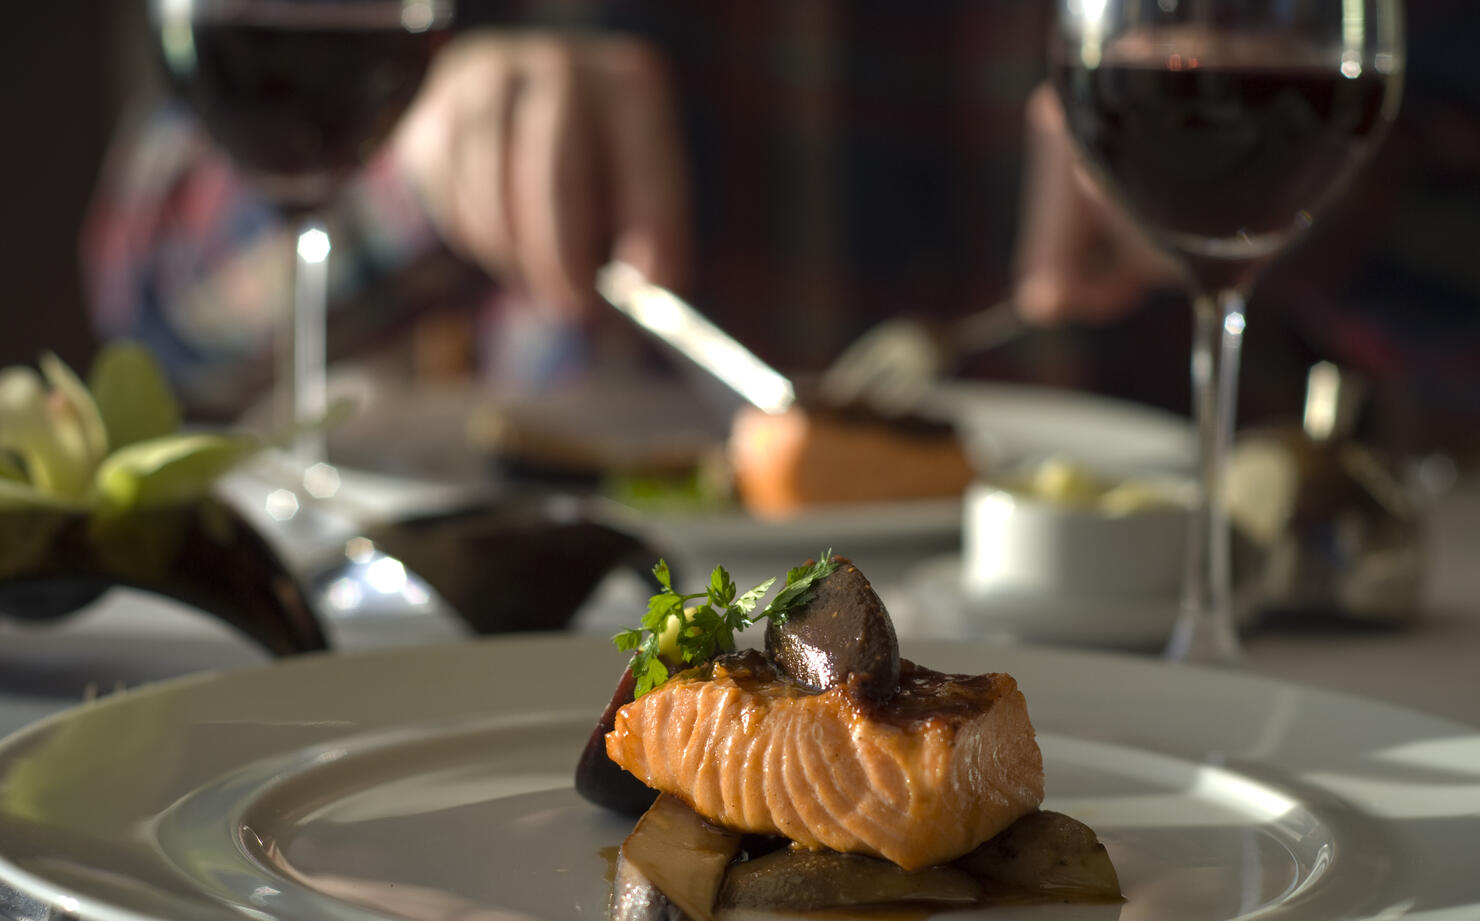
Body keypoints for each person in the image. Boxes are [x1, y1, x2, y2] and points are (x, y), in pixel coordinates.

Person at [84, 1, 1479, 452]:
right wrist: (412, 162)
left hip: (1163, 674)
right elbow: (156, 311)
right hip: (544, 674)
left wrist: (1296, 175)